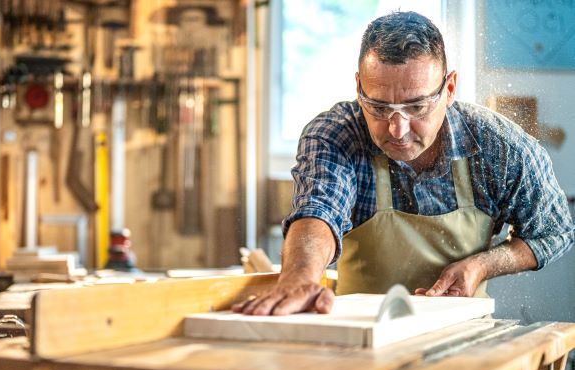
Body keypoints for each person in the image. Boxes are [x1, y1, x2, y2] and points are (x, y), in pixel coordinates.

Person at [233, 11, 574, 316]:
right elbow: (318, 209)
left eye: (417, 107)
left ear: (450, 87)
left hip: (463, 339)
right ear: (359, 87)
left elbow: (554, 231)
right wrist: (300, 278)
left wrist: (482, 265)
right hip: (359, 340)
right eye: (379, 107)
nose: (398, 129)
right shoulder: (337, 134)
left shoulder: (500, 147)